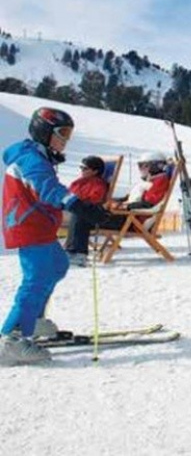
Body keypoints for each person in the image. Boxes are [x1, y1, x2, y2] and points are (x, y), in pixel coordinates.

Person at [1, 108, 106, 365]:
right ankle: (10, 339)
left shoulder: (39, 155)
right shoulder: (31, 160)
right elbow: (47, 189)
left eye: (68, 134)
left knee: (57, 265)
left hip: (40, 224)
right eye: (62, 133)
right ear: (44, 131)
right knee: (37, 277)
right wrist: (82, 207)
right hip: (28, 225)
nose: (65, 139)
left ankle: (32, 320)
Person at [98, 151, 171, 230]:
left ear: (156, 166)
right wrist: (113, 201)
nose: (141, 169)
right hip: (127, 217)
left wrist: (125, 206)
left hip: (132, 220)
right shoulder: (151, 181)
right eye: (140, 166)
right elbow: (128, 198)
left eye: (144, 166)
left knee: (88, 219)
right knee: (90, 213)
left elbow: (149, 204)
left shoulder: (160, 182)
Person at [63, 155, 110, 264]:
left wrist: (78, 200)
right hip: (72, 208)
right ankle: (71, 250)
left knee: (79, 214)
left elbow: (95, 198)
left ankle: (78, 253)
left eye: (85, 168)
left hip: (91, 212)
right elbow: (68, 193)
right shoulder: (78, 182)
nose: (82, 171)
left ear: (95, 171)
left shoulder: (98, 183)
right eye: (81, 168)